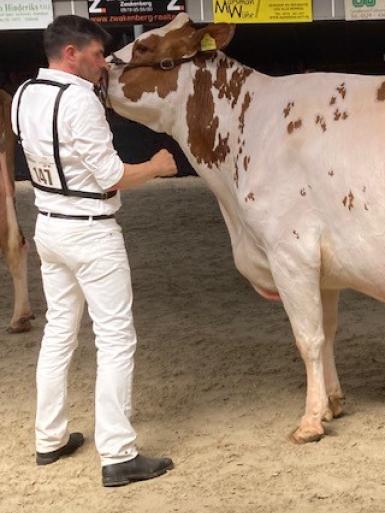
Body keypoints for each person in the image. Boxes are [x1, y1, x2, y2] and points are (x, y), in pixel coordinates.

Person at [11, 15, 177, 487]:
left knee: (60, 332)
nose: (104, 64)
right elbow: (111, 176)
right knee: (115, 338)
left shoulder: (23, 94)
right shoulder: (81, 101)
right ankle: (119, 453)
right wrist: (158, 167)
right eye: (97, 55)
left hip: (49, 225)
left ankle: (49, 438)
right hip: (90, 231)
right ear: (71, 54)